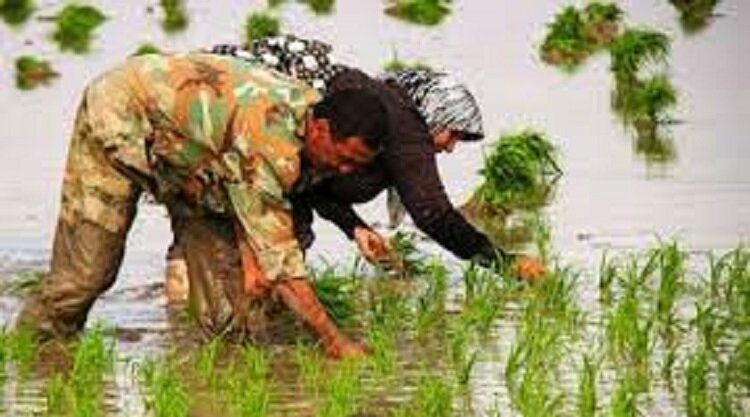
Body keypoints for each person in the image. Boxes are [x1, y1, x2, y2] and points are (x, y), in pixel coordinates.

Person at [15, 51, 389, 359]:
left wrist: (250, 260)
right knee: (87, 273)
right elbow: (282, 264)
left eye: (355, 165)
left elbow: (253, 194)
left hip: (195, 157)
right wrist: (335, 342)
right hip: (121, 115)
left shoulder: (309, 118)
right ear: (321, 129)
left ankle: (216, 387)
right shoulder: (270, 142)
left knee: (227, 309)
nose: (342, 171)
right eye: (343, 159)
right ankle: (31, 353)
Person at [207, 36, 546, 280]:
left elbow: (315, 186)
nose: (450, 147)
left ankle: (194, 332)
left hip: (228, 144)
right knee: (255, 258)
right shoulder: (406, 128)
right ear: (435, 112)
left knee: (204, 236)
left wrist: (355, 228)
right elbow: (434, 215)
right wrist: (504, 263)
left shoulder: (382, 114)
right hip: (245, 146)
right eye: (453, 133)